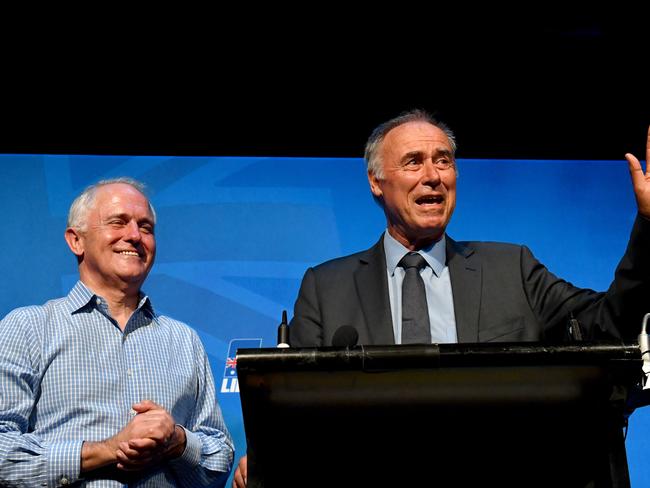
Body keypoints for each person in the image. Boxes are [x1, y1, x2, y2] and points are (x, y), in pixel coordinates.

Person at [232, 109, 650, 487]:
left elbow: (608, 325)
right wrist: (270, 457)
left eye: (444, 160)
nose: (433, 175)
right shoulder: (326, 287)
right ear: (377, 182)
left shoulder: (512, 268)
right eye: (414, 161)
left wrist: (649, 226)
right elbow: (294, 416)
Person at [0, 178, 234, 487]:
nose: (135, 236)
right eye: (118, 222)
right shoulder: (28, 329)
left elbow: (219, 462)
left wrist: (177, 441)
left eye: (146, 227)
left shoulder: (184, 341)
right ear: (75, 241)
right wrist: (106, 450)